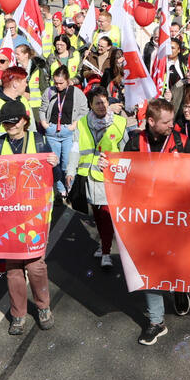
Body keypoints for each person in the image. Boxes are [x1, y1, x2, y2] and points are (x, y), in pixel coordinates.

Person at [124, 98, 190, 345]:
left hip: (175, 215)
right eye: (166, 121)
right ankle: (156, 322)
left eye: (173, 120)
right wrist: (107, 165)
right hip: (146, 216)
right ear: (150, 122)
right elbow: (122, 170)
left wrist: (182, 166)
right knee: (149, 267)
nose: (172, 125)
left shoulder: (180, 141)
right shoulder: (134, 141)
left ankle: (180, 286)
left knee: (175, 263)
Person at [0, 100, 59, 335]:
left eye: (13, 122)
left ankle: (43, 307)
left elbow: (54, 175)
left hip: (35, 213)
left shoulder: (39, 142)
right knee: (13, 268)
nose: (9, 126)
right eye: (5, 123)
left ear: (24, 121)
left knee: (35, 265)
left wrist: (55, 164)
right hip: (8, 213)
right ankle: (18, 314)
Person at [68, 86, 128, 269]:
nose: (102, 106)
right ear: (90, 105)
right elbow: (76, 148)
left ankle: (107, 253)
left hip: (111, 178)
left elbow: (127, 151)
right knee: (98, 215)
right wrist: (70, 171)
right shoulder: (83, 123)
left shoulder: (119, 122)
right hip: (90, 178)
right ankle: (104, 245)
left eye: (104, 102)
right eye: (97, 103)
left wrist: (121, 171)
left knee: (106, 216)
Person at [40, 66, 88, 198]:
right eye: (55, 82)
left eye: (61, 83)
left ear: (68, 81)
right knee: (55, 163)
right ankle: (61, 190)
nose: (58, 85)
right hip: (52, 132)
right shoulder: (49, 91)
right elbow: (42, 109)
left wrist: (74, 125)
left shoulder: (77, 93)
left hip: (68, 132)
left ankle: (70, 187)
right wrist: (44, 123)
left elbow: (84, 111)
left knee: (68, 163)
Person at [15, 44, 50, 125]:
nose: (16, 56)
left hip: (36, 109)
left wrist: (45, 107)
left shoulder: (38, 70)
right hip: (21, 107)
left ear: (26, 55)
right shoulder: (15, 70)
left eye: (18, 54)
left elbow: (44, 89)